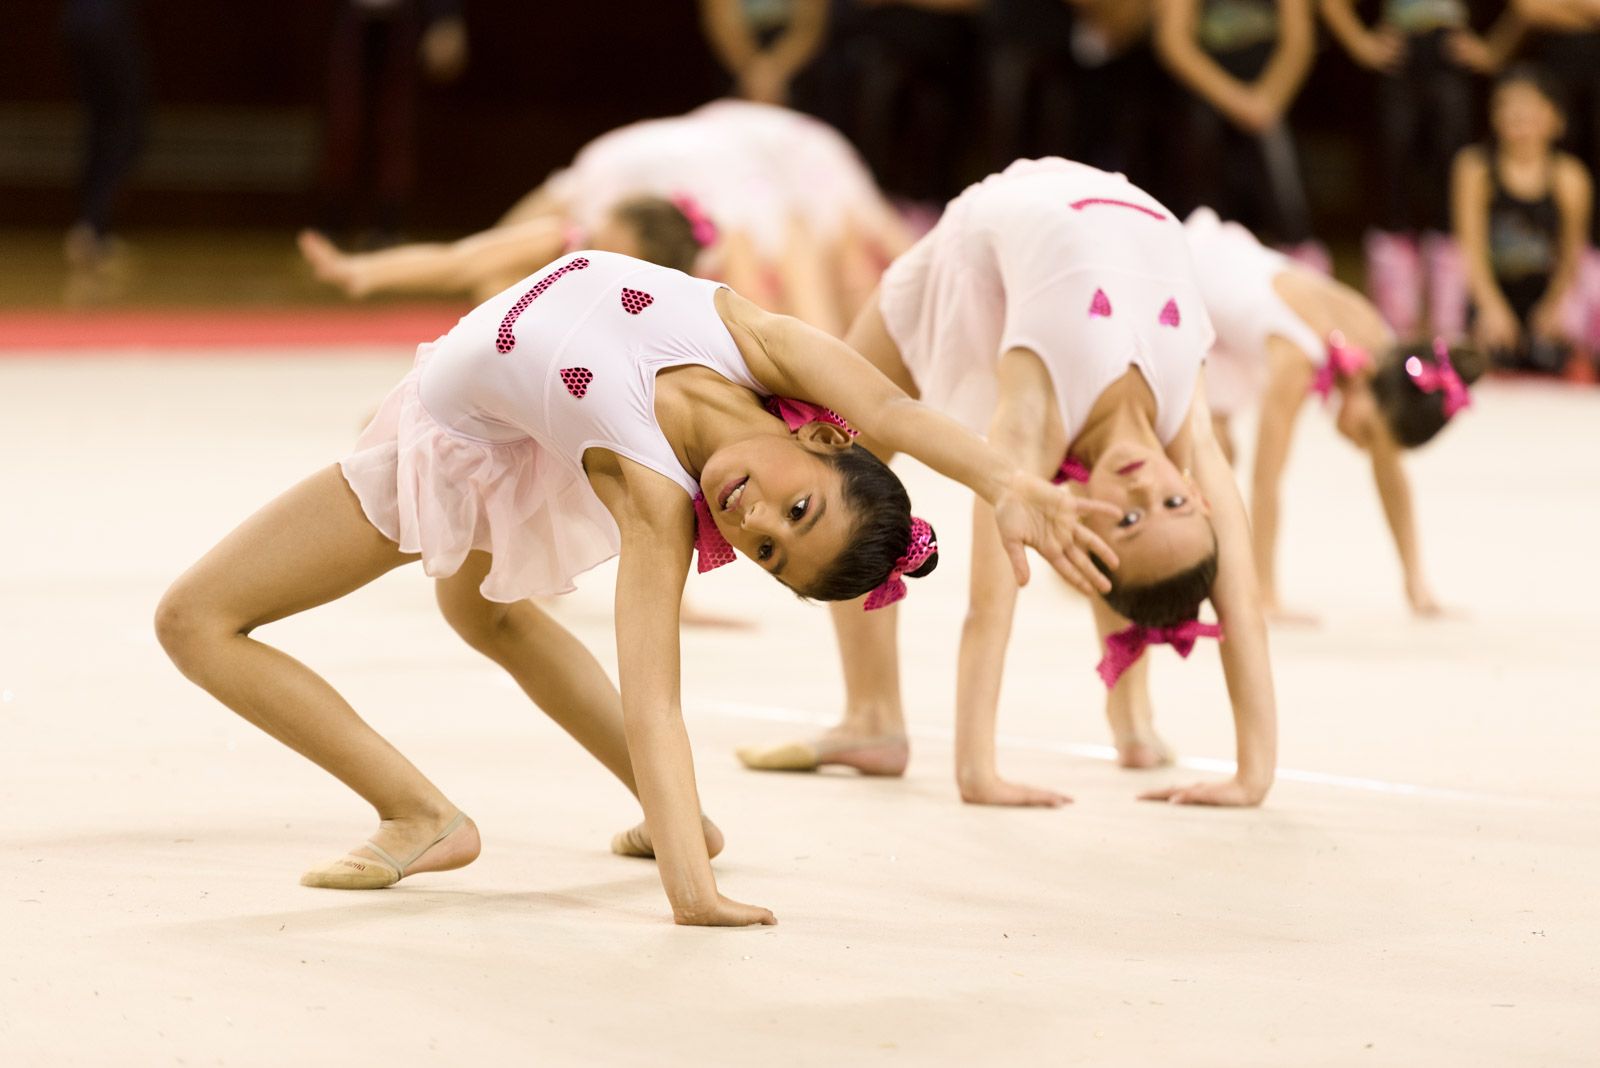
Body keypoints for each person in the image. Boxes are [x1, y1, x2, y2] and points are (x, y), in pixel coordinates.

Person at [154, 249, 1119, 925]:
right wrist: (1008, 481)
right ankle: (676, 819)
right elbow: (897, 408)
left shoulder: (654, 498)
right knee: (482, 610)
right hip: (487, 420)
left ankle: (420, 814)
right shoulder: (760, 339)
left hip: (451, 450)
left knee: (195, 620)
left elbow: (657, 703)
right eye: (800, 511)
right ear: (824, 438)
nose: (755, 523)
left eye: (772, 555)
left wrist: (692, 894)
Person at [737, 159, 1279, 807]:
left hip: (1042, 229)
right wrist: (1253, 775)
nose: (1141, 490)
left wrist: (978, 771)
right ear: (1199, 497)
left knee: (849, 463)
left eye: (1130, 520)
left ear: (1075, 536)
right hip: (1042, 208)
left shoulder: (1034, 423)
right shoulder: (1190, 427)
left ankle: (1126, 720)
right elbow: (1243, 605)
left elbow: (988, 608)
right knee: (854, 451)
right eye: (1170, 503)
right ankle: (877, 715)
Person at [1185, 207, 1484, 624]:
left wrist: (1416, 582)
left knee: (1217, 451)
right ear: (1362, 383)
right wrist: (1266, 595)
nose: (1362, 446)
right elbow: (1266, 480)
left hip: (1231, 294)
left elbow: (1389, 469)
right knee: (1215, 454)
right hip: (1187, 284)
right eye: (1365, 431)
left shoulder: (1381, 347)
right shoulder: (1298, 356)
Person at [1321, 0, 1522, 337]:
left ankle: (1450, 317)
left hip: (1451, 74)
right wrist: (1360, 42)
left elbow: (1530, 8)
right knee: (1392, 195)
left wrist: (1493, 49)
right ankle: (1395, 318)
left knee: (1452, 195)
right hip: (1398, 72)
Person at [1154, 0, 1323, 268]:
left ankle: (1300, 265)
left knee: (1279, 167)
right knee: (1198, 159)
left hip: (1270, 98)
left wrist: (1267, 103)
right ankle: (1197, 271)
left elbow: (1299, 38)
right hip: (1204, 97)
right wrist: (1237, 102)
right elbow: (1174, 41)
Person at [299, 195, 707, 304]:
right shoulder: (561, 239)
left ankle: (362, 272)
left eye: (603, 252)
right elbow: (459, 262)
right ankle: (363, 272)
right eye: (594, 244)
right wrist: (365, 272)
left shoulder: (640, 300)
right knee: (489, 273)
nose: (589, 251)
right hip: (515, 346)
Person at [1452, 66, 1592, 373]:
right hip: (1493, 294)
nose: (1517, 116)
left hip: (1544, 297)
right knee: (1488, 357)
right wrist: (1492, 309)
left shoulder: (1570, 177)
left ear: (1557, 119)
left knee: (1554, 357)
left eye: (1529, 107)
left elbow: (1571, 255)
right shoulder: (1474, 169)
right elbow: (1471, 251)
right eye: (1508, 106)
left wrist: (1555, 308)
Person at [315, 0, 469, 243]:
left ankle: (389, 225)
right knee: (343, 123)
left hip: (404, 20)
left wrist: (445, 17)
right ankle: (333, 222)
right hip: (351, 18)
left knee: (396, 126)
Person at [699, 0, 830, 105]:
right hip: (738, 59)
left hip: (796, 61)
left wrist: (775, 73)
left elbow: (809, 26)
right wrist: (754, 73)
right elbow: (721, 22)